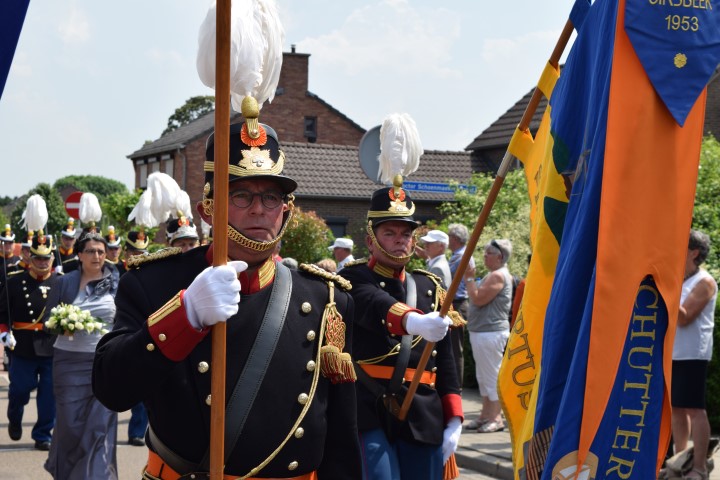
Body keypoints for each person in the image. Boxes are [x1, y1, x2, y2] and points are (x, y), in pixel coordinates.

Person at [93, 117, 361, 479]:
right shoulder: (153, 283)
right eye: (241, 195)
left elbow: (342, 436)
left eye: (271, 196)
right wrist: (185, 315)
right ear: (208, 209)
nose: (258, 209)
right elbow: (112, 389)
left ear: (286, 209)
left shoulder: (326, 298)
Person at [339, 180, 463, 480]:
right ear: (371, 240)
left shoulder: (429, 285)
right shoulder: (352, 278)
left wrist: (454, 417)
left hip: (423, 410)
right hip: (368, 407)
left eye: (406, 234)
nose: (400, 240)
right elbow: (376, 303)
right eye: (390, 233)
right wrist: (415, 322)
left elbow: (446, 359)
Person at [44, 229, 120, 478]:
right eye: (90, 251)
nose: (96, 256)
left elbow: (125, 322)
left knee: (99, 425)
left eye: (101, 251)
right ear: (80, 255)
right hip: (69, 363)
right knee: (70, 425)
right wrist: (62, 323)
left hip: (104, 364)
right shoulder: (64, 282)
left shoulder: (117, 282)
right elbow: (47, 322)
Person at [0, 233, 61, 450]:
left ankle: (43, 434)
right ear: (30, 258)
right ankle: (15, 417)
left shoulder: (60, 283)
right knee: (20, 390)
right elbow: (2, 314)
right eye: (38, 258)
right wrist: (4, 333)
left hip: (51, 345)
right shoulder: (15, 282)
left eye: (46, 258)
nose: (42, 262)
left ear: (52, 258)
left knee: (49, 395)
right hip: (22, 346)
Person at [670, 229, 717, 480]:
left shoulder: (705, 282)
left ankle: (699, 468)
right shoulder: (681, 279)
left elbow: (685, 317)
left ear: (693, 252)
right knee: (677, 409)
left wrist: (665, 290)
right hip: (675, 353)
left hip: (693, 354)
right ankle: (680, 463)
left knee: (695, 410)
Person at [463, 239, 512, 433]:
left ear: (500, 257)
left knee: (491, 376)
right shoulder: (494, 274)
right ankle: (485, 415)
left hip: (491, 333)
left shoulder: (498, 275)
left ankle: (496, 418)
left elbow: (477, 299)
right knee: (483, 376)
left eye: (489, 253)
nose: (484, 256)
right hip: (484, 332)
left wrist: (469, 279)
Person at [447, 223, 475, 385]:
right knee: (452, 347)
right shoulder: (458, 255)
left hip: (457, 305)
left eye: (449, 236)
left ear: (456, 239)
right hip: (456, 303)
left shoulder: (462, 256)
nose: (447, 240)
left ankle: (456, 386)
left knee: (455, 348)